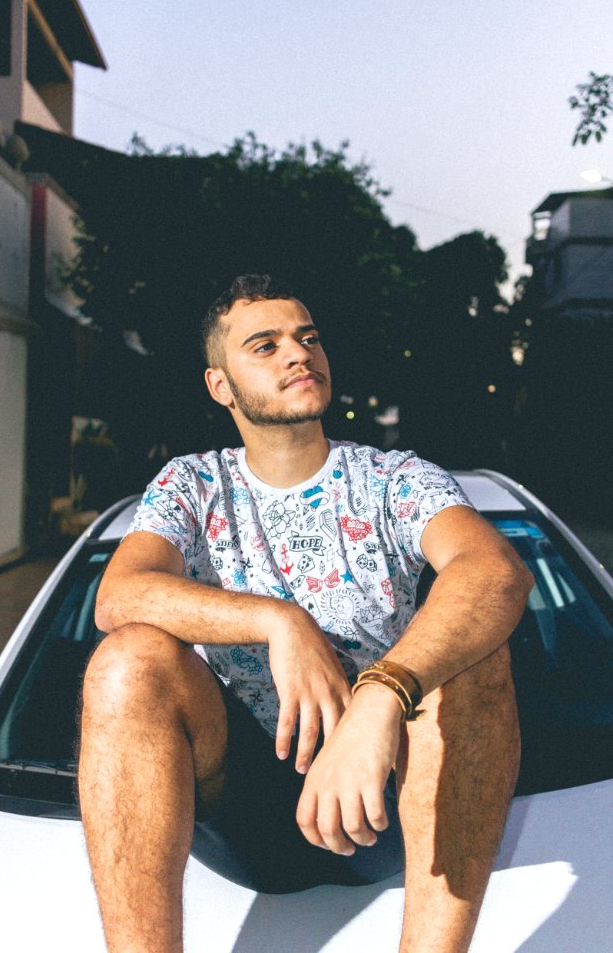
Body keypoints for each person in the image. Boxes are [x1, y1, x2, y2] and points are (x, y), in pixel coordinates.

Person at [79, 274, 533, 953]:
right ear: (221, 387)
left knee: (474, 657)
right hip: (234, 803)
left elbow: (495, 572)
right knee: (129, 658)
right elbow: (119, 595)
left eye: (308, 338)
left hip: (391, 803)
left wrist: (381, 695)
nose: (298, 354)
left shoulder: (395, 479)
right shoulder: (193, 485)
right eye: (266, 345)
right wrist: (278, 621)